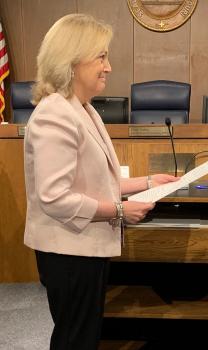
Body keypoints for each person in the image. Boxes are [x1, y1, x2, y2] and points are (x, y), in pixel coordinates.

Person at [23, 14, 178, 350]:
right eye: (101, 56)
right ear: (72, 60)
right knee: (75, 339)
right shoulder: (55, 114)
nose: (108, 67)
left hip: (82, 248)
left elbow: (92, 183)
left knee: (85, 335)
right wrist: (119, 211)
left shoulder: (83, 109)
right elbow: (54, 197)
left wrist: (147, 181)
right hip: (67, 251)